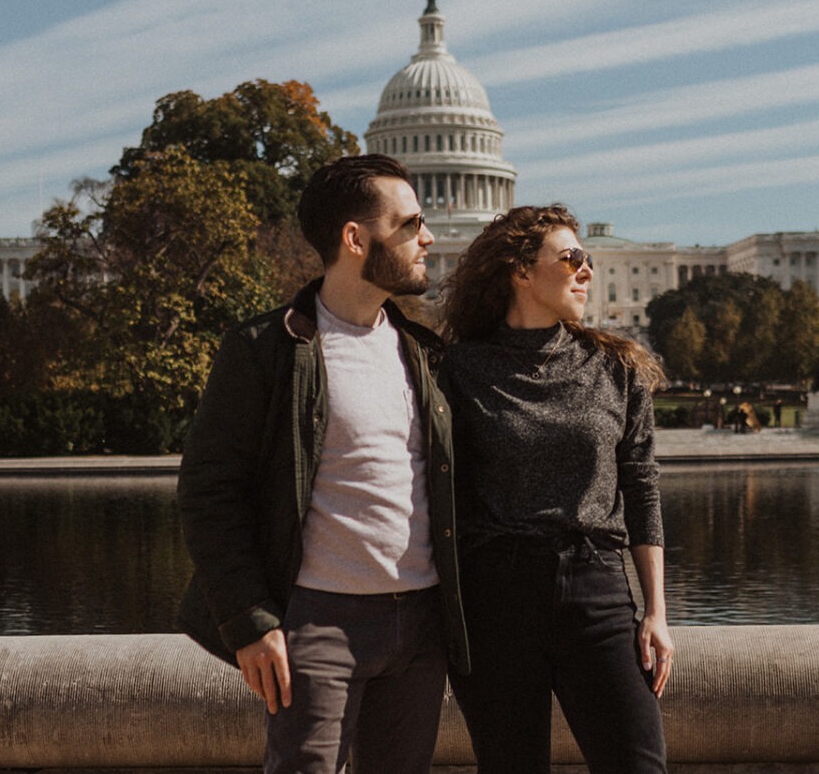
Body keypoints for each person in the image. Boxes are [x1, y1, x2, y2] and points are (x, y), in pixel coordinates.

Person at [177, 155, 468, 774]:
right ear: (356, 238)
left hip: (419, 623)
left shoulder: (425, 354)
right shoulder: (266, 349)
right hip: (319, 623)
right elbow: (209, 494)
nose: (429, 237)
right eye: (412, 224)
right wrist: (249, 620)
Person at [438, 204, 672, 774]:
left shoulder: (615, 367)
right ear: (520, 270)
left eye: (588, 258)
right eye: (571, 258)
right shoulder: (458, 370)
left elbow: (641, 488)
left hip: (596, 590)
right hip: (494, 599)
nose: (586, 270)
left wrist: (657, 612)